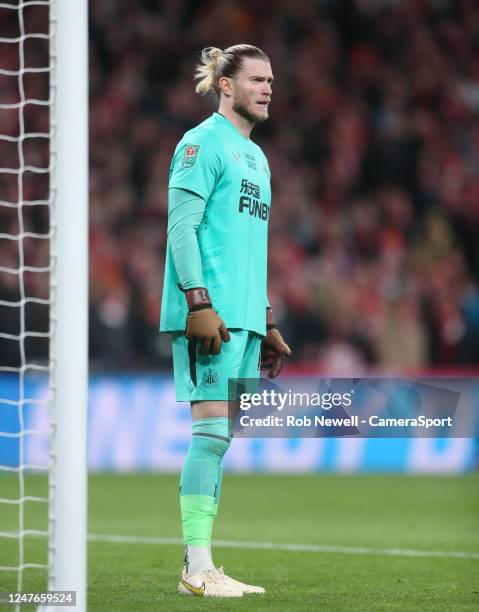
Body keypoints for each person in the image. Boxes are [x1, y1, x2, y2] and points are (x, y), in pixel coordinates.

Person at [160, 44, 291, 598]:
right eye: (256, 79)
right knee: (210, 433)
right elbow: (181, 228)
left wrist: (265, 318)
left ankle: (204, 565)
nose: (267, 88)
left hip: (243, 316)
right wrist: (197, 302)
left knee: (222, 437)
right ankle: (196, 566)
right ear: (226, 85)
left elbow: (248, 246)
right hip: (208, 314)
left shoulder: (257, 158)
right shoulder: (200, 143)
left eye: (270, 80)